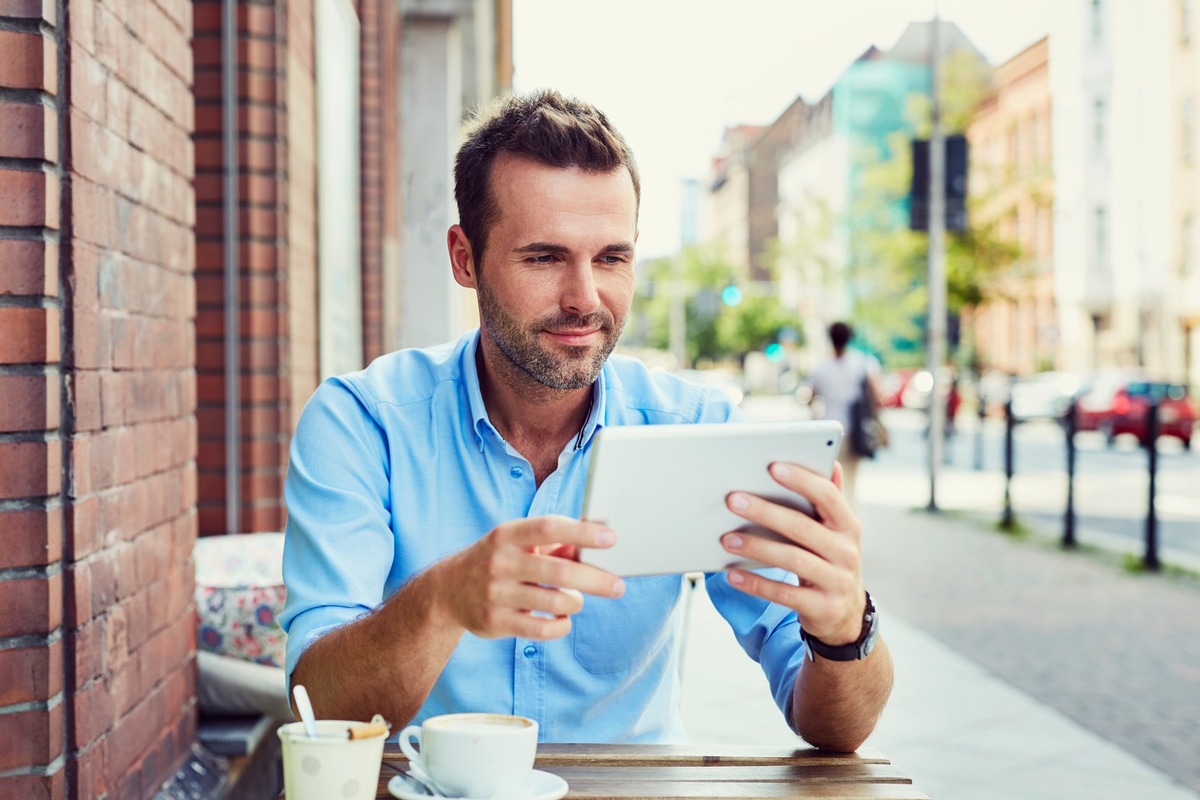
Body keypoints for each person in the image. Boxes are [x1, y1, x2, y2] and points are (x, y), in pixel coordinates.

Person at [280, 90, 892, 750]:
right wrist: (444, 601)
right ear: (464, 258)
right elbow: (318, 712)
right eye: (544, 257)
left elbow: (838, 731)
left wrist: (844, 631)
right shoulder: (362, 423)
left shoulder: (695, 429)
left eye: (611, 258)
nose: (585, 299)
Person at [807, 322, 885, 504]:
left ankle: (833, 512)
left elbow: (811, 398)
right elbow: (877, 395)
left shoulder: (821, 368)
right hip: (855, 429)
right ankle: (848, 513)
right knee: (851, 478)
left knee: (832, 476)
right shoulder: (862, 363)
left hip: (829, 430)